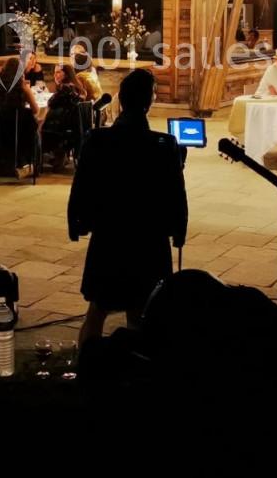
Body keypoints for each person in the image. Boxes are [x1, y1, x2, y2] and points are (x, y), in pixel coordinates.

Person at [68, 69, 187, 347]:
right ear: (150, 100)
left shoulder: (98, 140)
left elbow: (82, 184)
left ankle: (86, 367)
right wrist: (178, 230)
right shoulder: (164, 144)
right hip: (149, 239)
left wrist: (77, 221)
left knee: (97, 311)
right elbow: (175, 194)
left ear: (121, 100)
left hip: (109, 236)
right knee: (142, 313)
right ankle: (137, 371)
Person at [41, 64, 84, 170]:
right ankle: (60, 156)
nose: (55, 75)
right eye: (54, 72)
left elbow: (51, 103)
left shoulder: (65, 88)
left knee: (36, 123)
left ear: (66, 74)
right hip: (70, 126)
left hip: (60, 127)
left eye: (58, 72)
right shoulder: (75, 87)